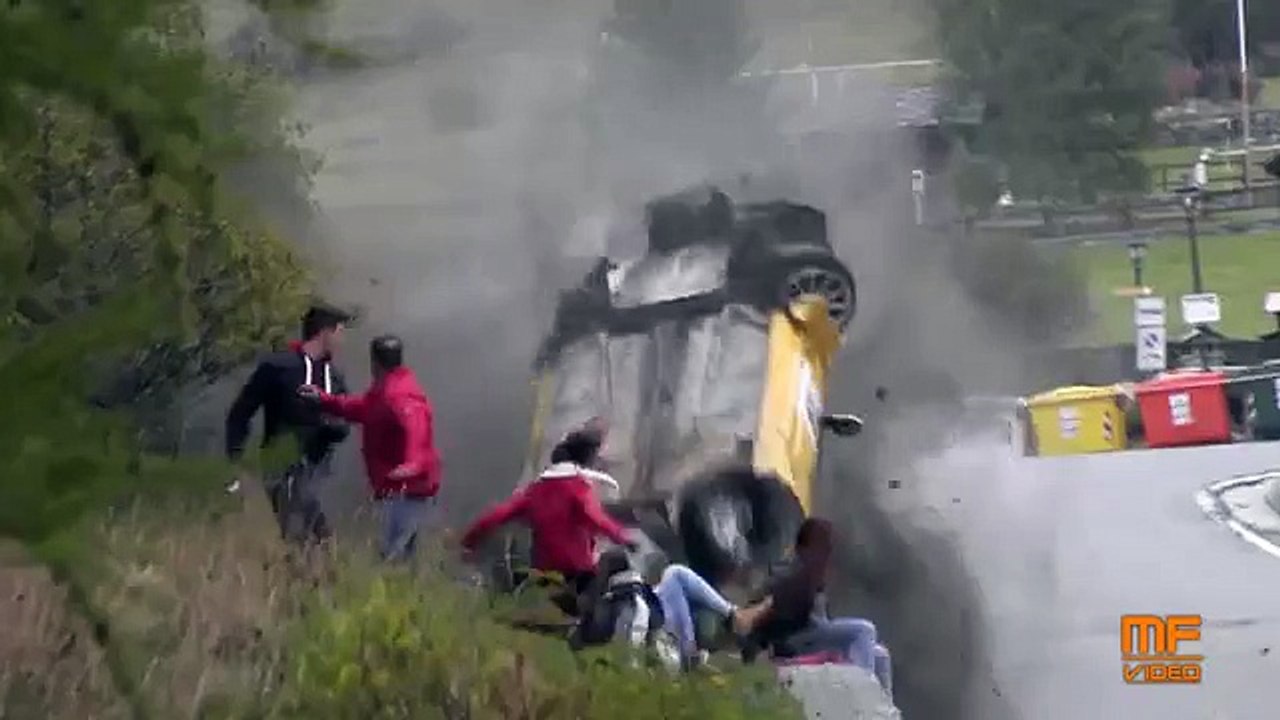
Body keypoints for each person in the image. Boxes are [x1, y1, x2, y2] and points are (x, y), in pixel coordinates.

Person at [459, 429, 636, 612]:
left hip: (542, 568)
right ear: (587, 457)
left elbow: (498, 514)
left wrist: (469, 540)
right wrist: (622, 536)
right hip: (577, 571)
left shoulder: (535, 490)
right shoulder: (578, 487)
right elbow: (595, 518)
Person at [299, 334, 441, 562]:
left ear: (374, 362)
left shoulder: (401, 396)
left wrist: (409, 467)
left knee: (394, 557)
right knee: (397, 554)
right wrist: (324, 399)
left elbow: (416, 432)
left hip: (407, 491)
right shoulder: (386, 391)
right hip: (400, 488)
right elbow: (362, 409)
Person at [225, 303, 352, 545]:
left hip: (320, 471)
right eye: (340, 332)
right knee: (297, 531)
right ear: (324, 332)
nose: (342, 341)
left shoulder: (333, 377)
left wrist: (331, 427)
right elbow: (241, 411)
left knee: (321, 538)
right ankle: (299, 577)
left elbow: (345, 420)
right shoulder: (278, 367)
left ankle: (314, 578)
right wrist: (235, 455)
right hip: (282, 464)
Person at [740, 518, 893, 693]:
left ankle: (883, 711)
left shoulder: (815, 575)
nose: (828, 555)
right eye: (824, 547)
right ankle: (861, 693)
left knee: (879, 654)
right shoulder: (790, 573)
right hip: (793, 640)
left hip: (814, 636)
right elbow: (767, 613)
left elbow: (824, 623)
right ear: (807, 548)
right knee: (864, 630)